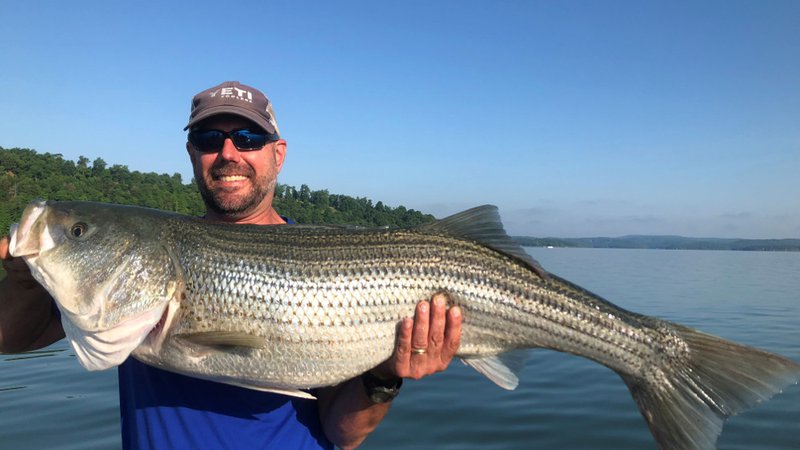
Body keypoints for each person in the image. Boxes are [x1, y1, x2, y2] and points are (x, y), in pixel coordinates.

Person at [0, 81, 463, 449]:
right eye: (208, 138)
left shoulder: (322, 260)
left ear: (277, 154)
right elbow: (12, 340)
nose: (228, 153)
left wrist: (384, 376)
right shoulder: (138, 258)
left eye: (247, 137)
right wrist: (23, 278)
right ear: (192, 154)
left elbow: (343, 434)